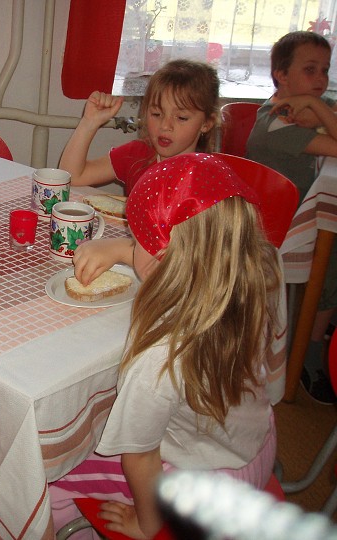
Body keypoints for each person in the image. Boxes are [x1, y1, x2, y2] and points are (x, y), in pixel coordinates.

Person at [49, 153, 287, 539]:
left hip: (203, 491)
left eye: (137, 236)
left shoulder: (159, 353)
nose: (132, 243)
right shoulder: (264, 266)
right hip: (257, 447)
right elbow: (274, 374)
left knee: (48, 476)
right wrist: (126, 251)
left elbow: (139, 456)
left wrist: (147, 524)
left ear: (160, 259)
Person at [63, 59, 220, 287]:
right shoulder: (139, 154)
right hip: (135, 279)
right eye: (156, 114)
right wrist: (89, 123)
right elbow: (72, 177)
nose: (166, 125)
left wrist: (122, 250)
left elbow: (187, 263)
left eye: (181, 118)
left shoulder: (207, 181)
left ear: (207, 123)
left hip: (175, 289)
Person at [245, 30, 337, 404]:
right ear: (281, 75)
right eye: (310, 70)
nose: (321, 79)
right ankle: (311, 350)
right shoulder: (277, 122)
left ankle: (319, 328)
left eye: (325, 70)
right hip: (277, 229)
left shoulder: (304, 107)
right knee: (332, 257)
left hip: (301, 213)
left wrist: (316, 105)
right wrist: (316, 106)